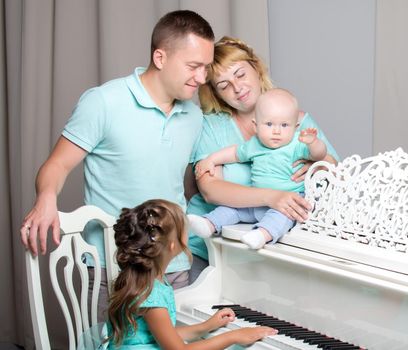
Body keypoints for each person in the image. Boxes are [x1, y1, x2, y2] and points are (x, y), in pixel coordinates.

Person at [19, 10, 215, 320]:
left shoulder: (193, 116)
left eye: (206, 67)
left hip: (174, 266)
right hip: (112, 267)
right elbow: (56, 166)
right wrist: (46, 199)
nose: (202, 78)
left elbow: (189, 184)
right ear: (160, 57)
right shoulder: (103, 102)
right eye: (193, 66)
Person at [185, 36, 339, 283]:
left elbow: (336, 174)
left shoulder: (298, 121)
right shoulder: (211, 126)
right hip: (210, 251)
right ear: (216, 93)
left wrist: (318, 163)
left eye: (240, 74)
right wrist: (270, 197)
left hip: (274, 252)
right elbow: (211, 191)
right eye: (224, 85)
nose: (237, 87)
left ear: (256, 68)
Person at [106, 199, 277, 349]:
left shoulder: (147, 279)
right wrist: (233, 336)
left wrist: (205, 327)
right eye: (184, 229)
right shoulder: (151, 295)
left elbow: (166, 335)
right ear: (173, 245)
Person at [188, 88, 327, 249]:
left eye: (284, 125)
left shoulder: (296, 144)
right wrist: (211, 160)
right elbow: (234, 153)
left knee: (283, 217)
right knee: (230, 208)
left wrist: (313, 143)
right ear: (256, 126)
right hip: (256, 200)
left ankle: (262, 234)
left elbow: (319, 155)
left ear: (295, 126)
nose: (276, 131)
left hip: (288, 201)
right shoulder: (255, 144)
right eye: (269, 124)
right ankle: (209, 224)